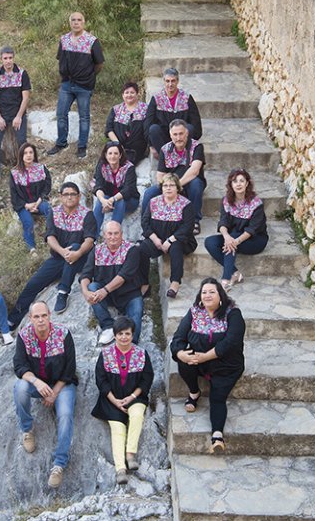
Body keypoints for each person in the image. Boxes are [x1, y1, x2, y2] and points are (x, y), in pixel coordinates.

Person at [170, 278, 245, 453]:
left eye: (212, 292)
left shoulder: (232, 313)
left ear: (221, 296)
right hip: (200, 361)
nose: (207, 295)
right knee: (184, 359)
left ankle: (217, 436)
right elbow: (178, 338)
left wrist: (205, 357)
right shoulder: (195, 312)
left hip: (225, 365)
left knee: (217, 397)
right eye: (204, 292)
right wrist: (180, 353)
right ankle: (194, 392)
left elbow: (231, 342)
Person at [8, 181, 97, 326]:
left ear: (79, 196)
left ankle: (63, 292)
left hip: (81, 258)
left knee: (74, 247)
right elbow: (50, 237)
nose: (69, 197)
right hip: (58, 257)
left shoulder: (87, 215)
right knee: (33, 284)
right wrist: (62, 252)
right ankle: (12, 319)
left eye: (73, 194)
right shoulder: (54, 213)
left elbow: (89, 240)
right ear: (61, 197)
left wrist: (78, 252)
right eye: (66, 194)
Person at [12, 301, 77, 489]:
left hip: (62, 384)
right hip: (37, 383)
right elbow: (19, 366)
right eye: (36, 317)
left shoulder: (63, 334)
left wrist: (54, 392)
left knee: (65, 415)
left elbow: (70, 368)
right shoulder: (24, 336)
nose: (41, 320)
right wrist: (36, 382)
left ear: (50, 315)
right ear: (30, 318)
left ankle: (59, 464)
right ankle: (27, 429)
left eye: (44, 316)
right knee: (20, 388)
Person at [91, 316, 154, 485]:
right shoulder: (105, 354)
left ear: (132, 335)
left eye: (127, 333)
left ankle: (130, 454)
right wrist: (115, 401)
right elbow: (101, 381)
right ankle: (120, 469)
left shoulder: (141, 354)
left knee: (137, 415)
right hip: (111, 398)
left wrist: (132, 397)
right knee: (117, 429)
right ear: (115, 335)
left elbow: (147, 379)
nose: (124, 337)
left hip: (135, 396)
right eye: (120, 334)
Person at [46, 12, 105, 159]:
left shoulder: (92, 41)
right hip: (67, 84)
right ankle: (61, 142)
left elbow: (99, 64)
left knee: (84, 117)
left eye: (79, 20)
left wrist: (89, 76)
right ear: (69, 22)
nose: (76, 22)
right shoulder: (64, 40)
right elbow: (60, 59)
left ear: (84, 22)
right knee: (61, 114)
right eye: (73, 20)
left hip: (84, 85)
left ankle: (82, 146)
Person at [80, 221, 144, 345]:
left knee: (136, 312)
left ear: (122, 234)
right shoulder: (97, 250)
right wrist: (85, 291)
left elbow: (123, 276)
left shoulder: (131, 250)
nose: (113, 237)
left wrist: (105, 290)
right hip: (107, 295)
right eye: (109, 233)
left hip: (129, 294)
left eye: (116, 233)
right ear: (104, 235)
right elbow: (86, 274)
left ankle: (132, 345)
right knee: (92, 287)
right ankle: (108, 326)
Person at [204, 169, 268, 290]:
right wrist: (226, 237)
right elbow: (223, 222)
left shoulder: (256, 204)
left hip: (255, 240)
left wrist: (234, 241)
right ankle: (235, 273)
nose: (238, 184)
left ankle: (226, 280)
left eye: (241, 181)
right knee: (210, 242)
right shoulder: (227, 201)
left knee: (232, 241)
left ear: (247, 183)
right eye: (235, 181)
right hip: (233, 237)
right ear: (231, 184)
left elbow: (252, 229)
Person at [140, 119, 206, 233]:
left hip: (189, 182)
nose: (178, 137)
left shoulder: (196, 147)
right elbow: (160, 175)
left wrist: (176, 186)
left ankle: (195, 220)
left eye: (181, 134)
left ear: (187, 133)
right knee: (149, 193)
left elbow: (195, 170)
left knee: (196, 185)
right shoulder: (165, 149)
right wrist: (165, 187)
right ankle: (146, 223)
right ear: (170, 135)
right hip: (170, 184)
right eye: (175, 134)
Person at [139, 173, 197, 298]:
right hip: (157, 239)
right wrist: (154, 239)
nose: (168, 188)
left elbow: (188, 227)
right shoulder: (153, 202)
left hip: (180, 239)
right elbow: (145, 222)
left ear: (178, 188)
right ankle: (144, 283)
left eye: (172, 185)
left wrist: (170, 240)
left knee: (176, 247)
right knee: (142, 249)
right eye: (165, 185)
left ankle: (175, 283)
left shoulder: (186, 204)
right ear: (161, 188)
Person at [0, 46, 31, 189]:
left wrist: (19, 116)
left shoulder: (22, 74)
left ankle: (23, 170)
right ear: (1, 59)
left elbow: (25, 98)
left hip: (18, 114)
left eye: (10, 58)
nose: (8, 61)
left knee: (22, 141)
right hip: (1, 115)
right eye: (5, 58)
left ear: (14, 58)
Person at [145, 68, 201, 157]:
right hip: (163, 138)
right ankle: (166, 158)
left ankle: (183, 156)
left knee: (190, 128)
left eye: (173, 81)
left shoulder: (186, 98)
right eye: (167, 81)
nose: (170, 84)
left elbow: (196, 122)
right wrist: (151, 145)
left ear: (177, 81)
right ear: (164, 81)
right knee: (153, 128)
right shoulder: (157, 99)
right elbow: (148, 122)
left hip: (181, 137)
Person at [9, 143, 52, 253]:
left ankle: (51, 237)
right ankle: (31, 248)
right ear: (21, 156)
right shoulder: (15, 173)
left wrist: (37, 203)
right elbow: (14, 195)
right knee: (28, 222)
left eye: (31, 152)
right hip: (23, 205)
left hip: (39, 202)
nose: (28, 155)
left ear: (34, 154)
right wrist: (26, 205)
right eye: (25, 153)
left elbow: (47, 187)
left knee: (49, 210)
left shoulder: (41, 169)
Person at [91, 142, 139, 232]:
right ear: (105, 155)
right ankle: (92, 237)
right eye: (110, 153)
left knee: (120, 200)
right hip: (109, 200)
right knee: (100, 201)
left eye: (116, 153)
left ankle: (113, 233)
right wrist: (103, 201)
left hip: (129, 201)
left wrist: (112, 200)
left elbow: (128, 190)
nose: (113, 156)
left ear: (120, 155)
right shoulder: (102, 166)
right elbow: (98, 185)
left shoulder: (129, 167)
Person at [105, 82, 149, 164]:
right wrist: (117, 144)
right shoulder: (116, 109)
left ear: (137, 94)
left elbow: (147, 129)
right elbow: (108, 129)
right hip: (117, 146)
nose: (129, 95)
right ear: (123, 95)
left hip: (136, 148)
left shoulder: (145, 109)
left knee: (125, 163)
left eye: (132, 92)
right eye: (126, 92)